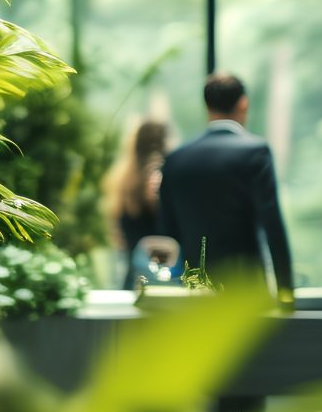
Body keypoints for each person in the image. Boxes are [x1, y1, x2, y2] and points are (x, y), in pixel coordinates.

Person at [157, 72, 294, 299]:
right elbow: (273, 225)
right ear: (243, 104)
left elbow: (167, 232)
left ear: (206, 105)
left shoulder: (176, 160)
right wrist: (286, 292)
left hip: (194, 292)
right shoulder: (255, 152)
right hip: (245, 290)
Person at [102, 117, 172, 290]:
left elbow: (118, 238)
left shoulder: (122, 181)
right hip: (161, 280)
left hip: (132, 277)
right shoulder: (162, 176)